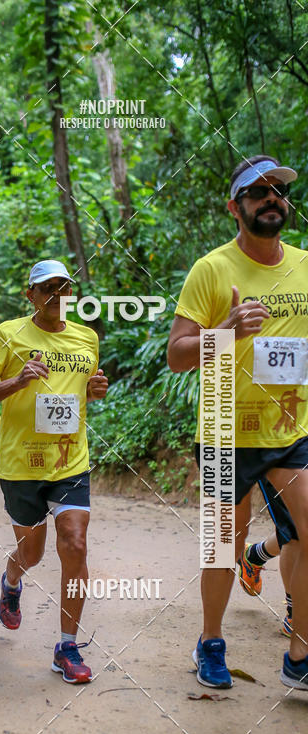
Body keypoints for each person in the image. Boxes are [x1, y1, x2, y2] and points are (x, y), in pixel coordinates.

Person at [167, 154, 308, 691]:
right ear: (235, 207)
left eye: (279, 190)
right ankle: (210, 641)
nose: (272, 198)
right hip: (227, 430)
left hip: (292, 431)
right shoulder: (212, 269)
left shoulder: (304, 263)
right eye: (258, 192)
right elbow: (178, 354)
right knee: (223, 545)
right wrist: (225, 330)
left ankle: (299, 655)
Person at [0, 259, 108, 684]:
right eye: (47, 288)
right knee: (32, 553)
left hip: (70, 460)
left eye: (63, 287)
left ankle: (67, 646)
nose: (57, 295)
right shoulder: (7, 335)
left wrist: (95, 390)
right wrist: (16, 382)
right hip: (20, 461)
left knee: (75, 543)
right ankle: (12, 581)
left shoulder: (87, 337)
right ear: (30, 294)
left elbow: (83, 393)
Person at [238, 477, 298, 635]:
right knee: (295, 528)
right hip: (278, 456)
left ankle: (254, 555)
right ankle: (295, 616)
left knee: (295, 527)